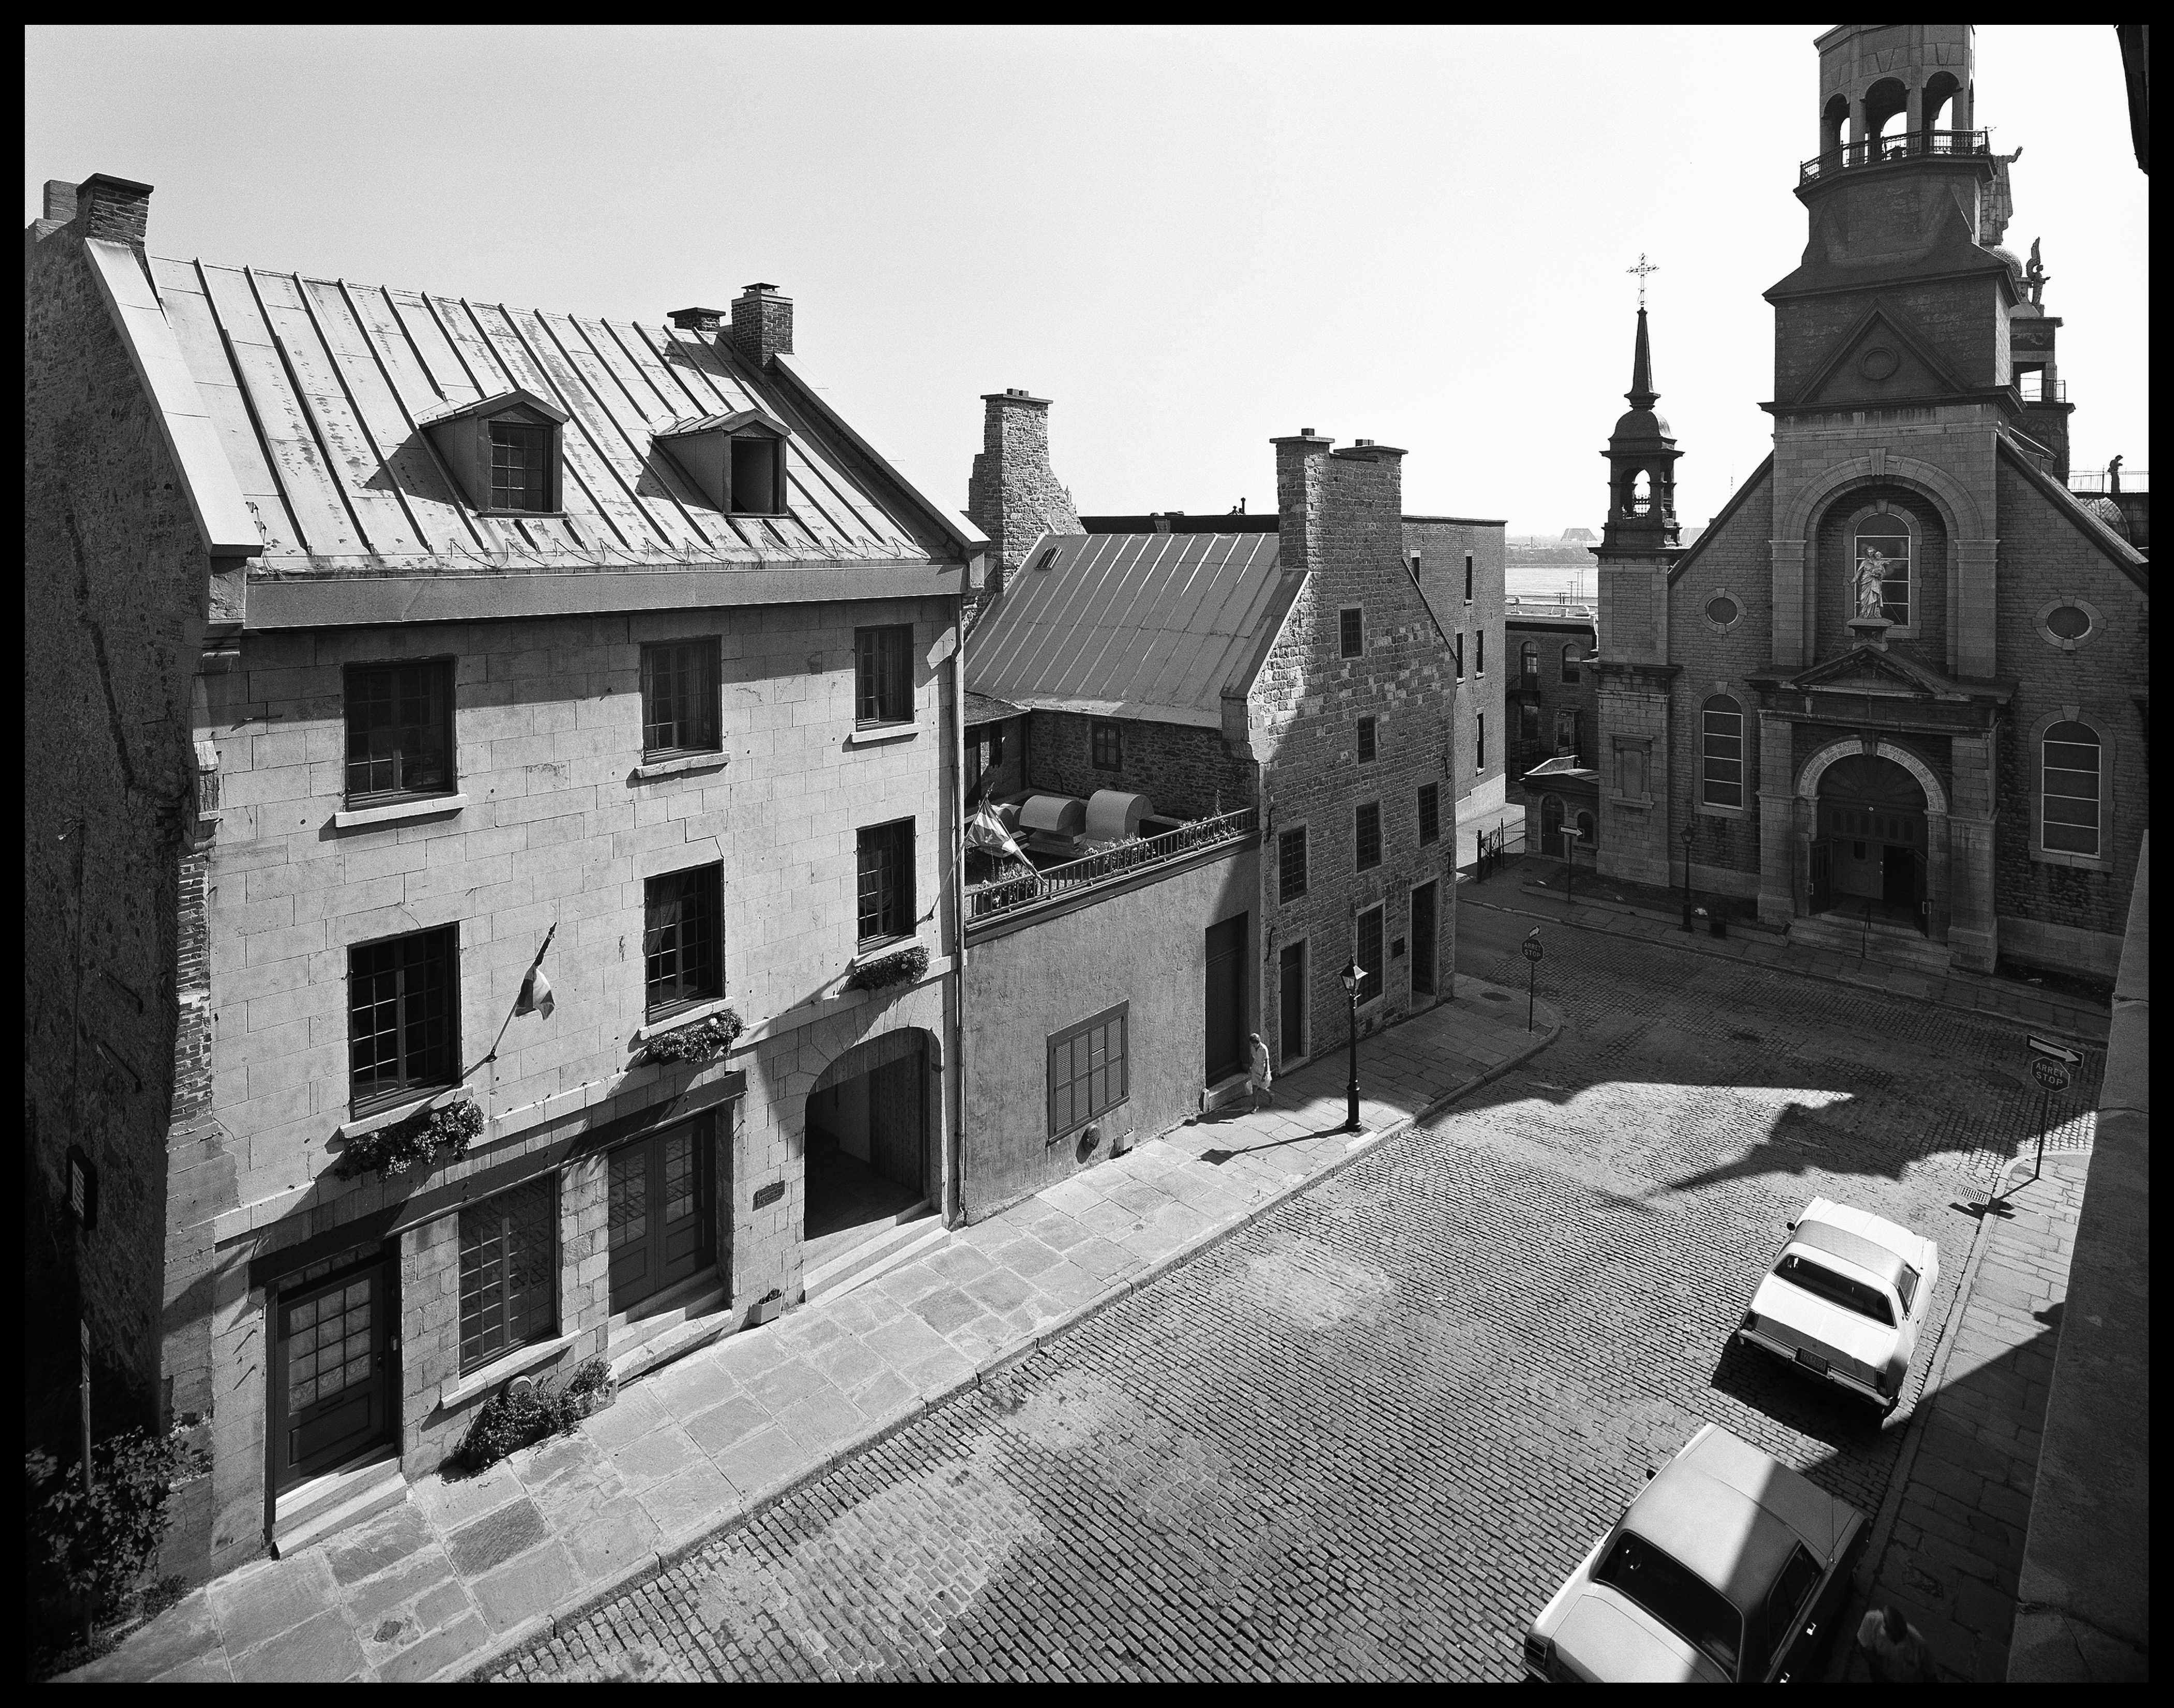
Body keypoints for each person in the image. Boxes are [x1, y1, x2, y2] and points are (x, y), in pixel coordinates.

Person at [1856, 1604, 1935, 1682]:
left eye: (1900, 1636)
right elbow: (1864, 1648)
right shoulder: (1871, 1620)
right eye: (1894, 1636)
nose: (1898, 1641)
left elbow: (1930, 1673)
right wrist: (1880, 1667)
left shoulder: (1919, 1644)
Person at [1246, 1032, 1274, 1110]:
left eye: (1254, 1044)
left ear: (1258, 1042)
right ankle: (1256, 1106)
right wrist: (1250, 1066)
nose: (1253, 1046)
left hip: (1263, 1068)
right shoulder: (1253, 1048)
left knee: (1263, 1087)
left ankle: (1270, 1095)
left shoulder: (1264, 1049)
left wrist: (1265, 1073)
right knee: (1255, 1086)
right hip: (1255, 1067)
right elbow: (1252, 1057)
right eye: (1252, 1044)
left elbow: (1267, 1060)